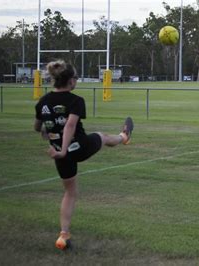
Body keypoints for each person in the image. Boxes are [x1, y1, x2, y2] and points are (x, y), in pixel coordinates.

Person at [34, 60, 134, 250]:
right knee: (102, 137)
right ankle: (124, 137)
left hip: (59, 154)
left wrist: (51, 137)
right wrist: (65, 149)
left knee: (70, 193)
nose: (77, 81)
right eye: (76, 78)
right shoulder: (76, 101)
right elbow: (70, 126)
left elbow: (38, 127)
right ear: (71, 81)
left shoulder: (43, 102)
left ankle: (63, 235)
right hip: (77, 147)